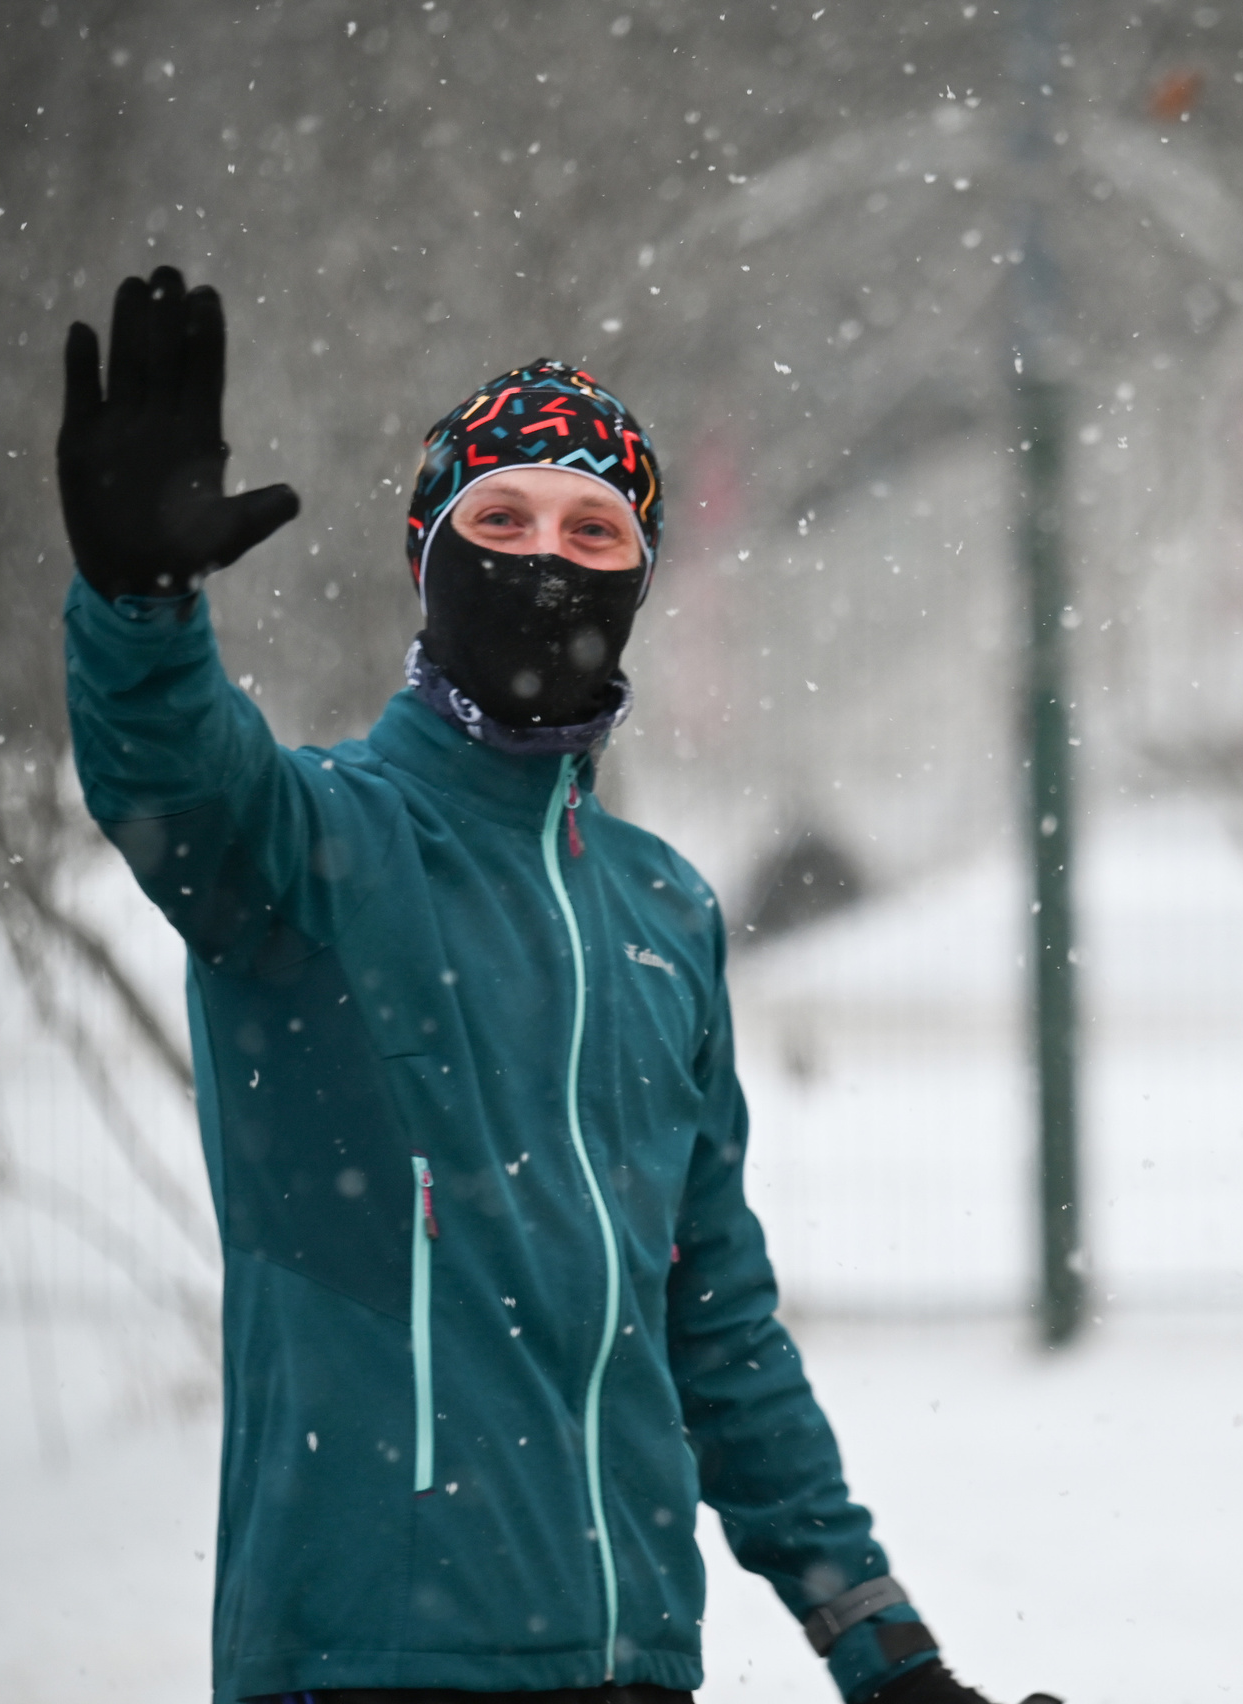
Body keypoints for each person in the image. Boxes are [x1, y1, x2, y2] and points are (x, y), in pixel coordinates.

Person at [57, 266, 1058, 1704]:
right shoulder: (318, 844)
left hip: (633, 1665)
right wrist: (140, 615)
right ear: (428, 556)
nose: (548, 559)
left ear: (640, 582)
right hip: (367, 1665)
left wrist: (885, 1652)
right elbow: (173, 778)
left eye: (596, 529)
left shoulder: (661, 909)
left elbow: (715, 1331)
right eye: (502, 518)